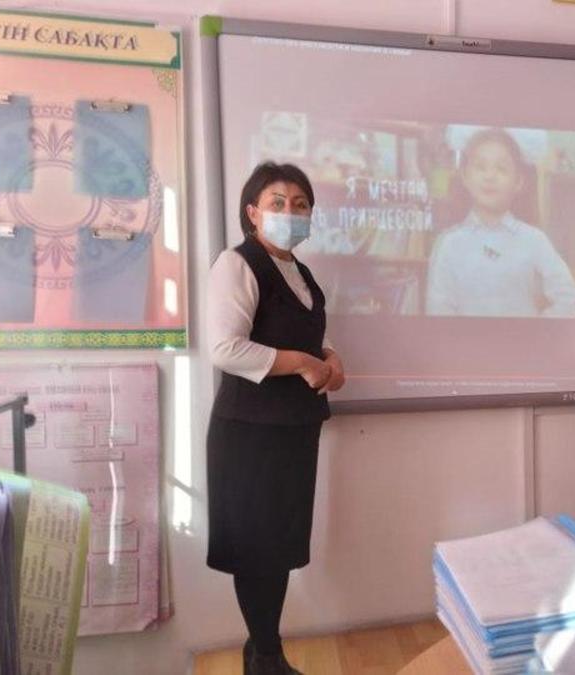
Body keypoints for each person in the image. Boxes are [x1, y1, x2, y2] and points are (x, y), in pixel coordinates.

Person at [206, 162, 345, 675]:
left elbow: (304, 331)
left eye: (301, 204)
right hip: (250, 434)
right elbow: (225, 348)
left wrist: (330, 356)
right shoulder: (237, 263)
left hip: (293, 429)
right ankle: (266, 656)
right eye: (278, 202)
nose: (291, 211)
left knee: (279, 545)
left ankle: (262, 653)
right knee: (256, 548)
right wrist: (303, 363)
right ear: (252, 212)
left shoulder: (300, 272)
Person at [426, 128, 575, 317]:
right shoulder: (449, 244)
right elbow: (438, 312)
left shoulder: (534, 240)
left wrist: (535, 330)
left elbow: (570, 299)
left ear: (518, 182)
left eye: (501, 169)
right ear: (465, 177)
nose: (489, 176)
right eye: (480, 167)